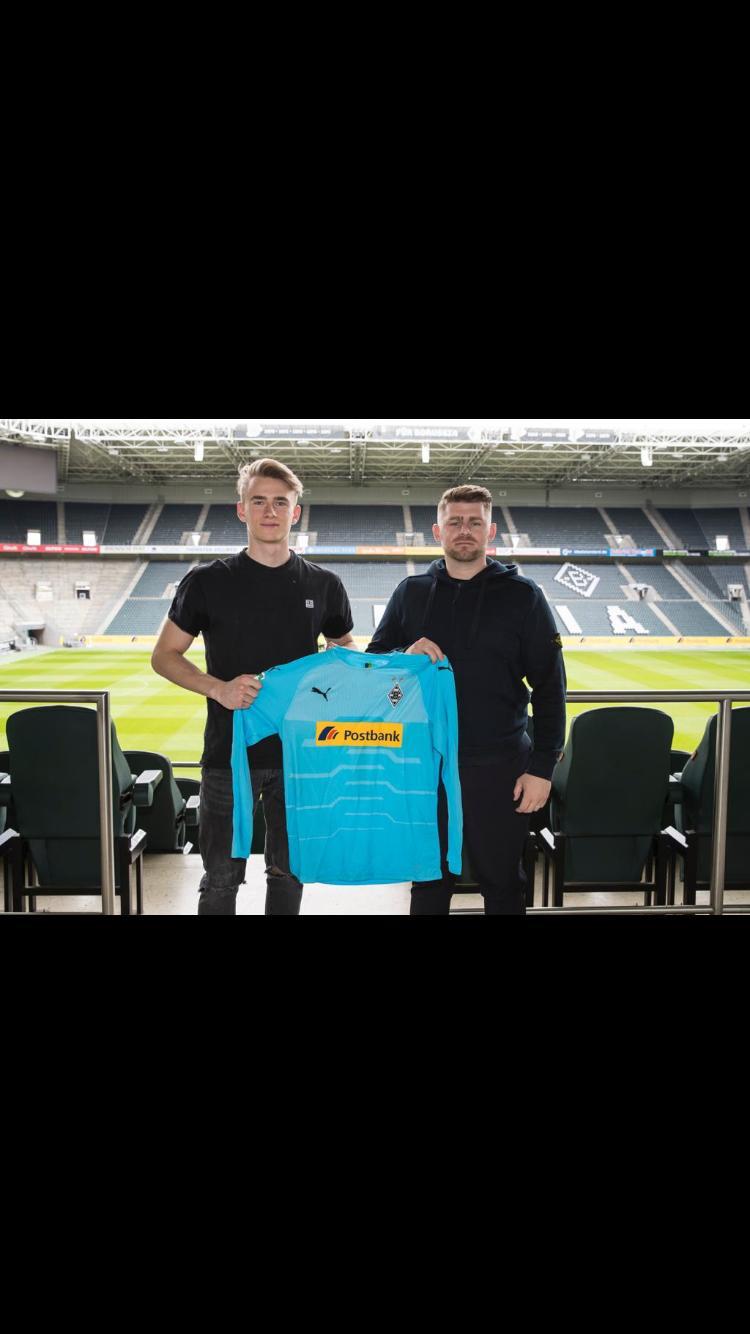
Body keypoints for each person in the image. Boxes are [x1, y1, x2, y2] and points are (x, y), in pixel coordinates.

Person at [151, 459, 356, 915]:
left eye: (280, 502)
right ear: (241, 509)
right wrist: (218, 689)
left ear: (295, 513)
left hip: (298, 755)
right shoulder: (207, 581)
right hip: (228, 754)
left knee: (289, 872)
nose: (270, 511)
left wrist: (334, 665)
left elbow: (345, 648)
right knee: (221, 878)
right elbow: (164, 655)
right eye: (258, 501)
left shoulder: (324, 584)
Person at [367, 485, 567, 915]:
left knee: (504, 884)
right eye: (455, 522)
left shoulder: (523, 595)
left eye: (475, 522)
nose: (464, 530)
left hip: (501, 766)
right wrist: (404, 654)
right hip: (425, 766)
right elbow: (373, 666)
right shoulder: (411, 592)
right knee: (428, 884)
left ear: (490, 531)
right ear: (438, 530)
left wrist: (542, 769)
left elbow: (550, 687)